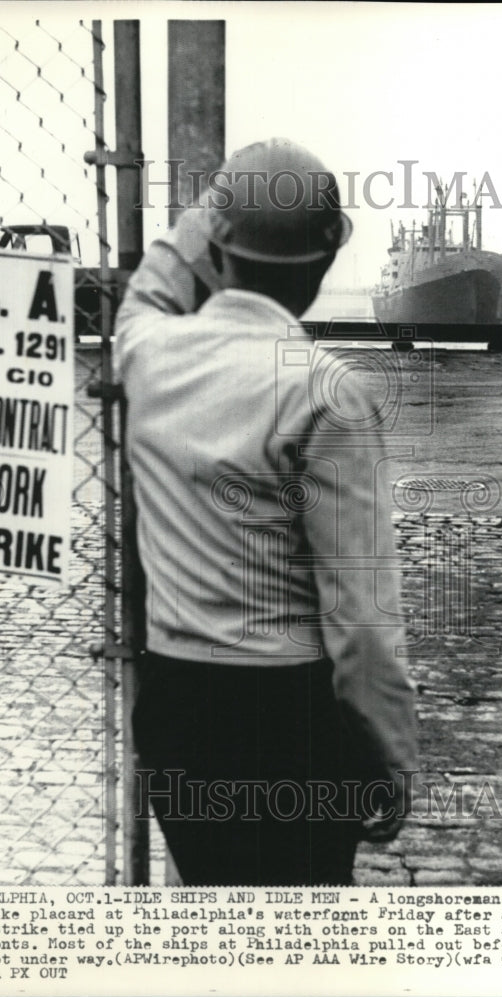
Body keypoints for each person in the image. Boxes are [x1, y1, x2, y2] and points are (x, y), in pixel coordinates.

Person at [114, 138, 418, 886]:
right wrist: (389, 755)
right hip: (288, 720)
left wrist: (221, 204)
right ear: (321, 265)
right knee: (303, 940)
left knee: (219, 916)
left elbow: (152, 284)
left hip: (177, 704)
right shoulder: (325, 393)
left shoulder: (148, 355)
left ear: (218, 247)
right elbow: (361, 618)